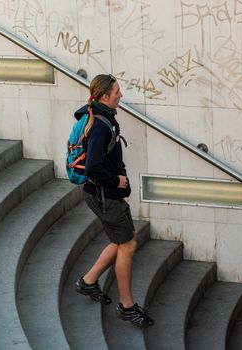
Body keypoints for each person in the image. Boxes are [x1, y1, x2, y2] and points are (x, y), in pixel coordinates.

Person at [74, 74, 154, 328]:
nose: (121, 95)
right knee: (128, 245)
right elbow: (93, 166)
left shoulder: (104, 117)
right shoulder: (99, 125)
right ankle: (127, 306)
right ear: (104, 96)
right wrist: (115, 181)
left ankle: (88, 282)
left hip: (103, 195)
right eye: (117, 92)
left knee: (121, 241)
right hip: (105, 196)